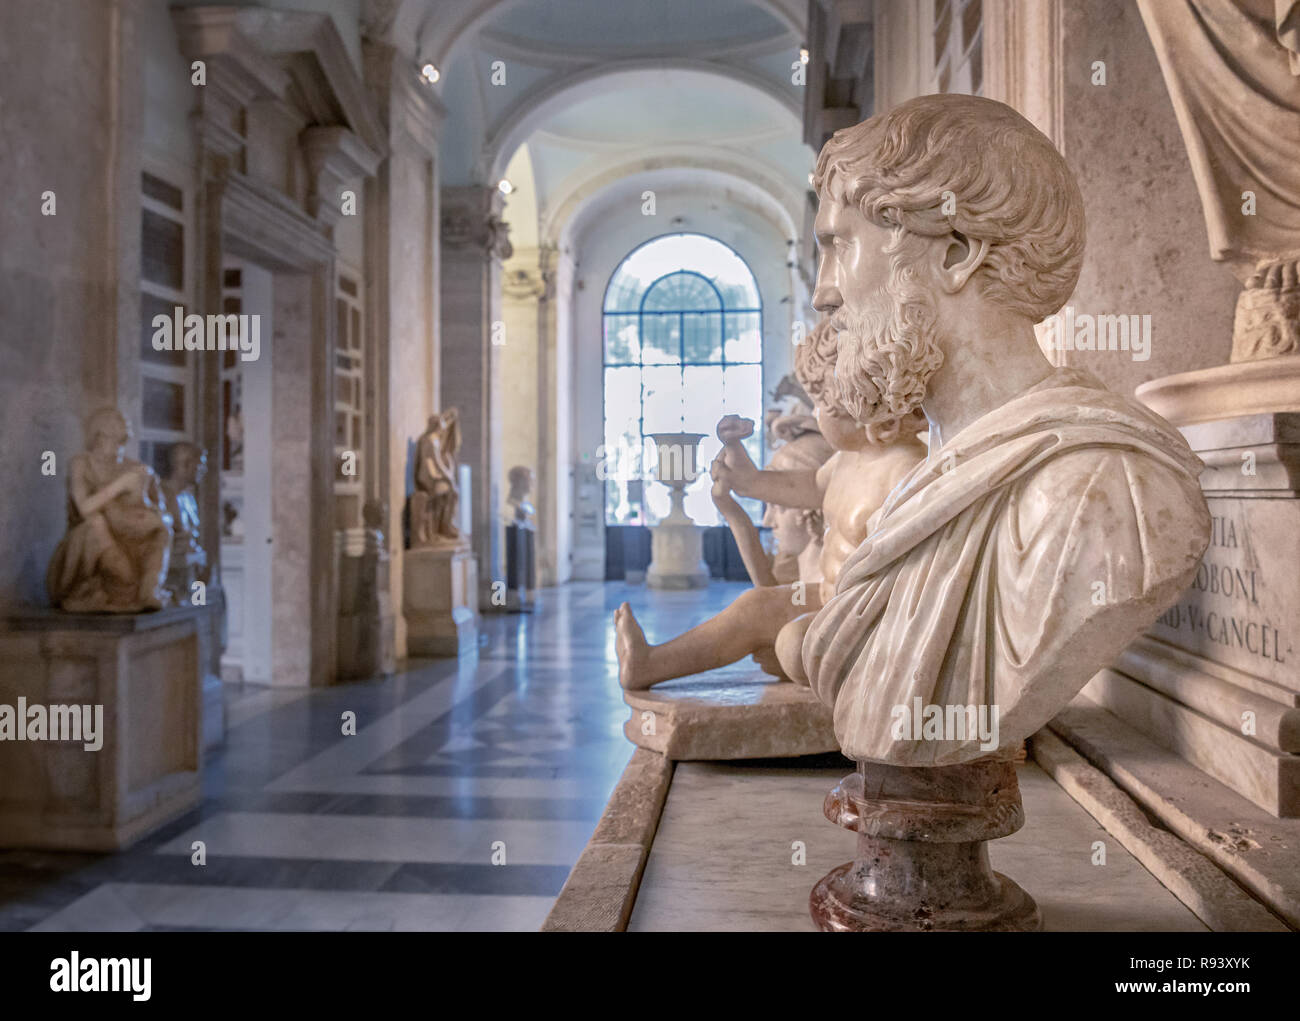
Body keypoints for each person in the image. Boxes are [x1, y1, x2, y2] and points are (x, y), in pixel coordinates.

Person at [800, 94, 1210, 766]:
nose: (823, 292)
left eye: (837, 246)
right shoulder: (928, 479)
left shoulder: (1100, 492)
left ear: (956, 251)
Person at [614, 318, 926, 690]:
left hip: (870, 622)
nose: (817, 414)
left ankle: (814, 659)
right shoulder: (846, 460)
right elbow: (806, 485)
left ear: (866, 404)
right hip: (826, 602)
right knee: (756, 605)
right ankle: (649, 663)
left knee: (793, 643)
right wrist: (746, 477)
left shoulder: (904, 470)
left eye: (825, 402)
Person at [47, 407, 172, 612]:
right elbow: (84, 508)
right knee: (97, 524)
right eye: (116, 440)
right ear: (98, 437)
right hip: (87, 538)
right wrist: (121, 485)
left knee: (162, 528)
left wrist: (146, 502)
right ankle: (98, 588)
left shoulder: (131, 466)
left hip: (124, 531)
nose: (120, 447)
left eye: (123, 441)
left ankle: (150, 589)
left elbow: (152, 508)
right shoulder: (81, 464)